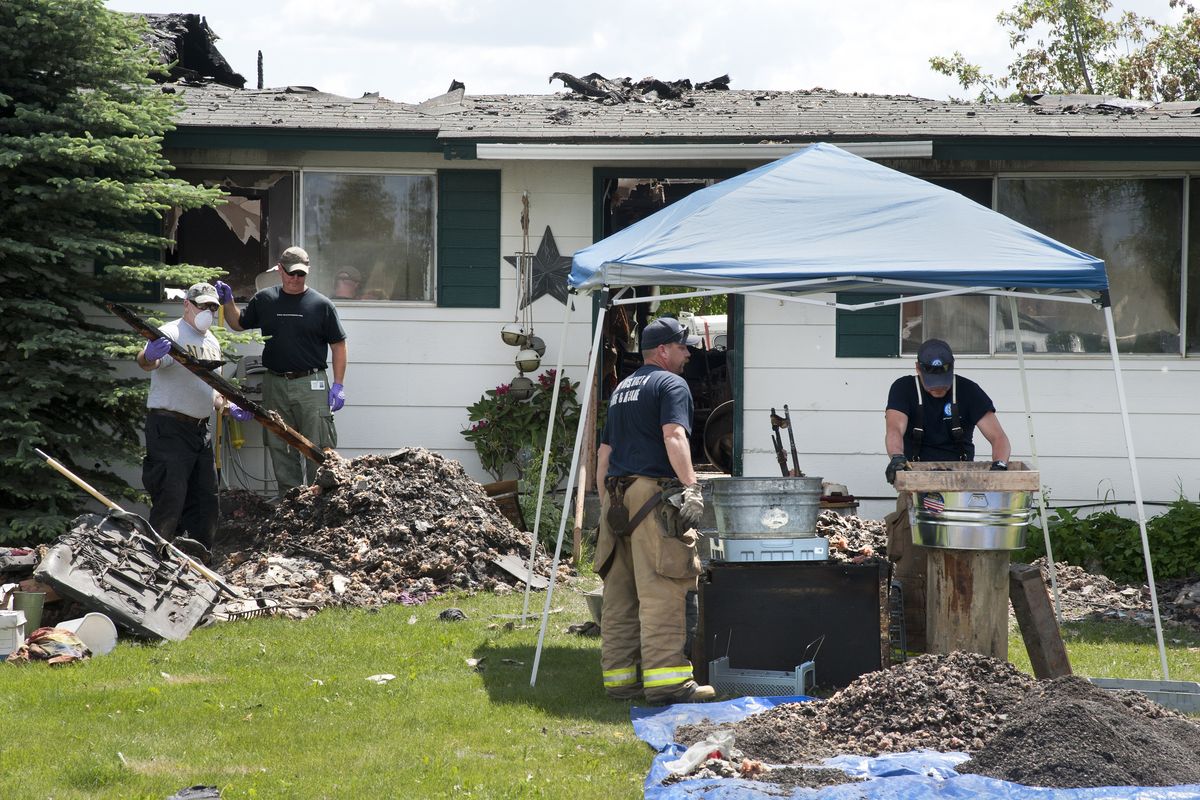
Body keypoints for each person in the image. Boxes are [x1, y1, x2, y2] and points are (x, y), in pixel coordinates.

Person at [594, 316, 715, 704]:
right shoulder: (671, 384)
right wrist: (692, 488)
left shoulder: (621, 390)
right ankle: (668, 683)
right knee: (665, 585)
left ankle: (620, 680)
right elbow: (674, 435)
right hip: (650, 498)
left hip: (616, 497)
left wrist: (607, 506)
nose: (688, 353)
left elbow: (604, 454)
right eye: (683, 347)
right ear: (663, 351)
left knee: (621, 594)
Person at [882, 338, 1012, 650]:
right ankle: (913, 648)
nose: (938, 389)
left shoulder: (969, 391)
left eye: (943, 382)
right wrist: (897, 461)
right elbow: (894, 430)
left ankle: (966, 645)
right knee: (912, 566)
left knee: (961, 567)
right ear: (918, 370)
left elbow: (999, 437)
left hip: (960, 489)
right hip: (917, 485)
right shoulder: (903, 389)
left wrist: (999, 467)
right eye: (931, 382)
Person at [216, 246, 348, 495]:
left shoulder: (321, 305)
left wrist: (338, 384)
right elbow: (237, 324)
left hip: (311, 383)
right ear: (279, 270)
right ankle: (293, 502)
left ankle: (321, 500)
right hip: (274, 382)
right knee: (280, 443)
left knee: (318, 447)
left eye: (301, 274)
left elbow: (338, 345)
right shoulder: (266, 300)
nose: (296, 279)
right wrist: (228, 302)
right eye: (291, 274)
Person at [137, 283, 234, 562]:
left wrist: (226, 405)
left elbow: (213, 390)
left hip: (199, 431)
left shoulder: (212, 342)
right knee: (170, 499)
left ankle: (199, 563)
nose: (207, 311)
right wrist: (150, 354)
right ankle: (153, 562)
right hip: (168, 428)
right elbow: (146, 362)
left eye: (213, 307)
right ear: (187, 305)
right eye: (202, 305)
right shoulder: (171, 333)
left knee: (206, 502)